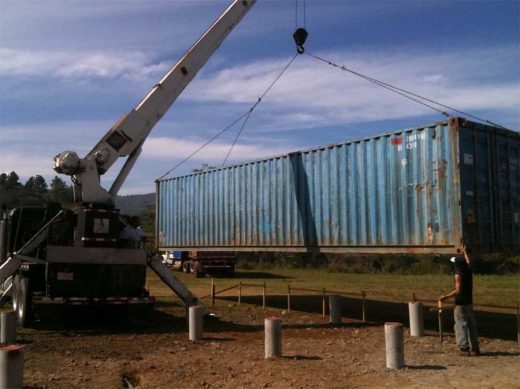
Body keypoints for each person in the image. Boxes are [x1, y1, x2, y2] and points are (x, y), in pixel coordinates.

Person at [439, 245, 480, 356]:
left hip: (460, 303)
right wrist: (465, 251)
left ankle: (463, 347)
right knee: (471, 324)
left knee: (460, 324)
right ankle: (475, 347)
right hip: (469, 301)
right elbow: (469, 262)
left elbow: (457, 290)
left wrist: (445, 297)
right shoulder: (469, 270)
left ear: (456, 264)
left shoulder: (458, 275)